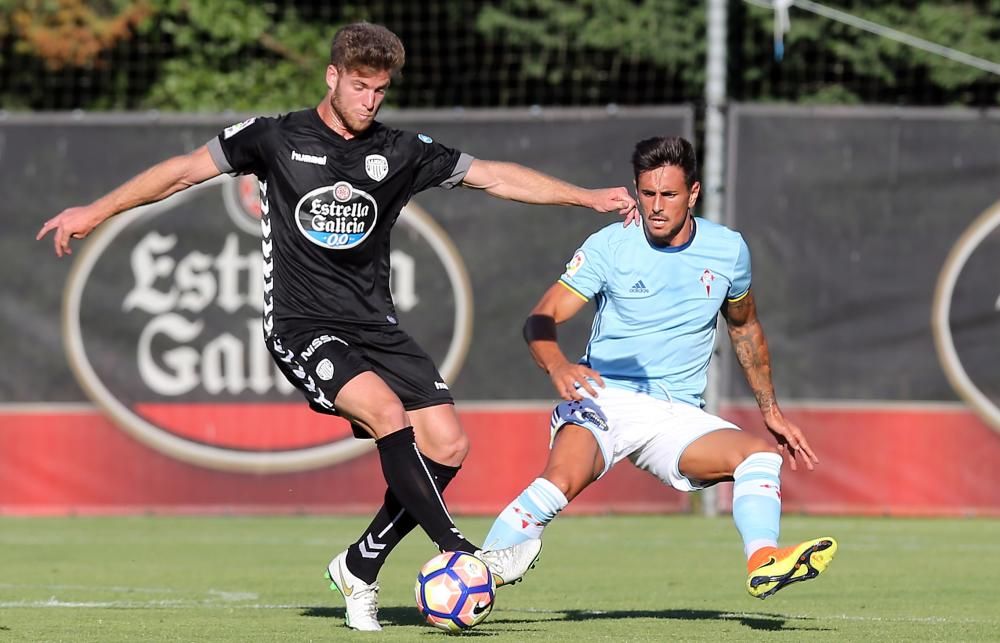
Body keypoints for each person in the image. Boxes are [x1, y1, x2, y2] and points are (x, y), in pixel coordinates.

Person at [36, 22, 638, 632]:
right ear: (332, 77)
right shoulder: (273, 137)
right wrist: (95, 209)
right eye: (359, 86)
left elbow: (495, 177)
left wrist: (586, 198)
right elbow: (182, 171)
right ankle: (461, 551)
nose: (369, 100)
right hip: (301, 324)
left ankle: (360, 564)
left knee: (449, 444)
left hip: (375, 325)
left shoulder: (400, 150)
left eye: (380, 90)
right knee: (386, 414)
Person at [482, 136, 837, 600]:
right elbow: (540, 318)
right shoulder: (611, 245)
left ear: (693, 193)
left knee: (759, 458)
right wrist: (557, 366)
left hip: (676, 414)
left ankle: (763, 560)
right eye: (647, 194)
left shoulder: (728, 251)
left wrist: (770, 409)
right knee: (558, 484)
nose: (656, 206)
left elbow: (745, 327)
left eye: (668, 195)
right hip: (604, 398)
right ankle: (477, 571)